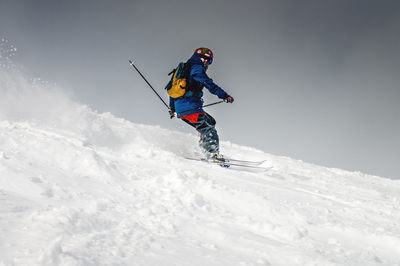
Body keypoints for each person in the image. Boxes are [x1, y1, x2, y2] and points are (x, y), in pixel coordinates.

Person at [168, 47, 234, 162]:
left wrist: (173, 108)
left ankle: (205, 148)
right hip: (190, 106)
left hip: (183, 107)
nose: (208, 64)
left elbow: (172, 91)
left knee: (210, 122)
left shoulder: (182, 69)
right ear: (204, 59)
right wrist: (224, 95)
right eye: (209, 61)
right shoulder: (196, 68)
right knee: (208, 129)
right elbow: (207, 83)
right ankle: (212, 154)